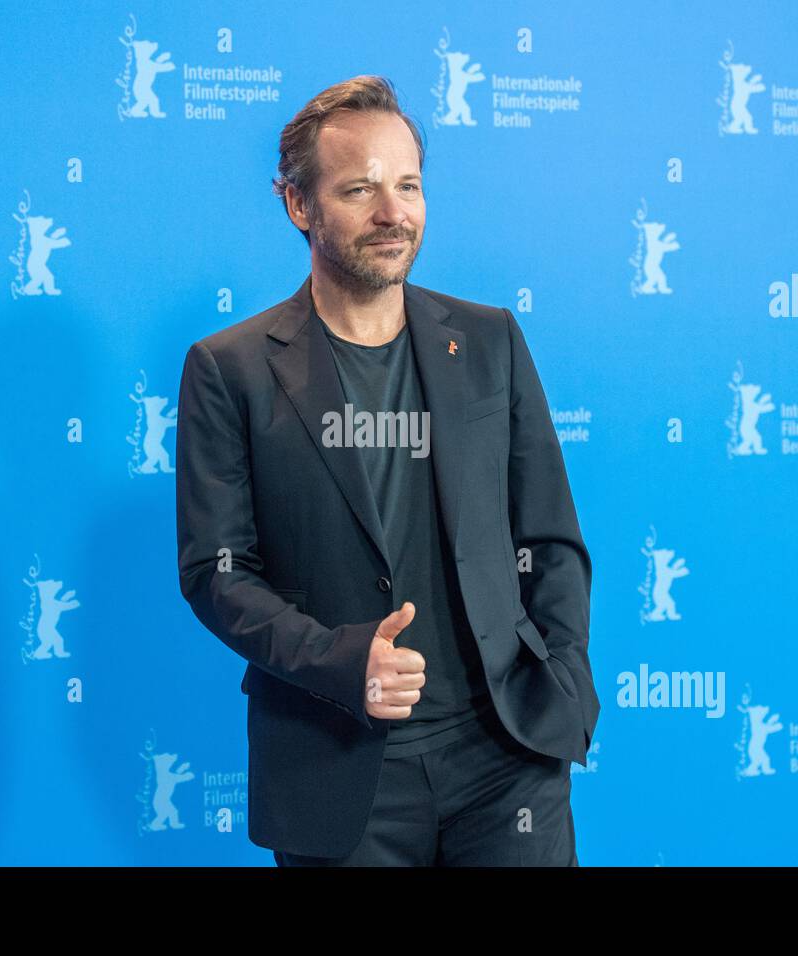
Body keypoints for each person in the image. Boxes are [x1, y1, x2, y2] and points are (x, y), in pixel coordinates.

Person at [176, 75, 598, 866]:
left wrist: (563, 681)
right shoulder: (228, 370)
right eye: (360, 189)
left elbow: (550, 539)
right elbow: (218, 573)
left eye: (408, 185)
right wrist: (341, 661)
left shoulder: (488, 341)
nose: (392, 213)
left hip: (507, 761)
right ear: (299, 205)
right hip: (339, 772)